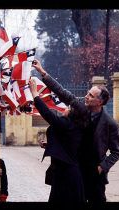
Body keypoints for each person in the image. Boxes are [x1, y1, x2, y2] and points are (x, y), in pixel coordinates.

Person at [32, 59, 119, 206]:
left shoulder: (109, 124)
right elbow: (62, 92)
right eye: (88, 93)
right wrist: (42, 72)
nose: (86, 96)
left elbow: (116, 152)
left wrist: (102, 167)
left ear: (100, 102)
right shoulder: (81, 106)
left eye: (91, 96)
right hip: (75, 167)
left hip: (94, 172)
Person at [29, 78, 87, 206]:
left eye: (69, 107)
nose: (65, 108)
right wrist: (49, 146)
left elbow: (48, 115)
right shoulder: (75, 126)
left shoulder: (67, 124)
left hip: (67, 175)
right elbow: (67, 145)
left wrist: (35, 94)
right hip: (67, 173)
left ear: (72, 113)